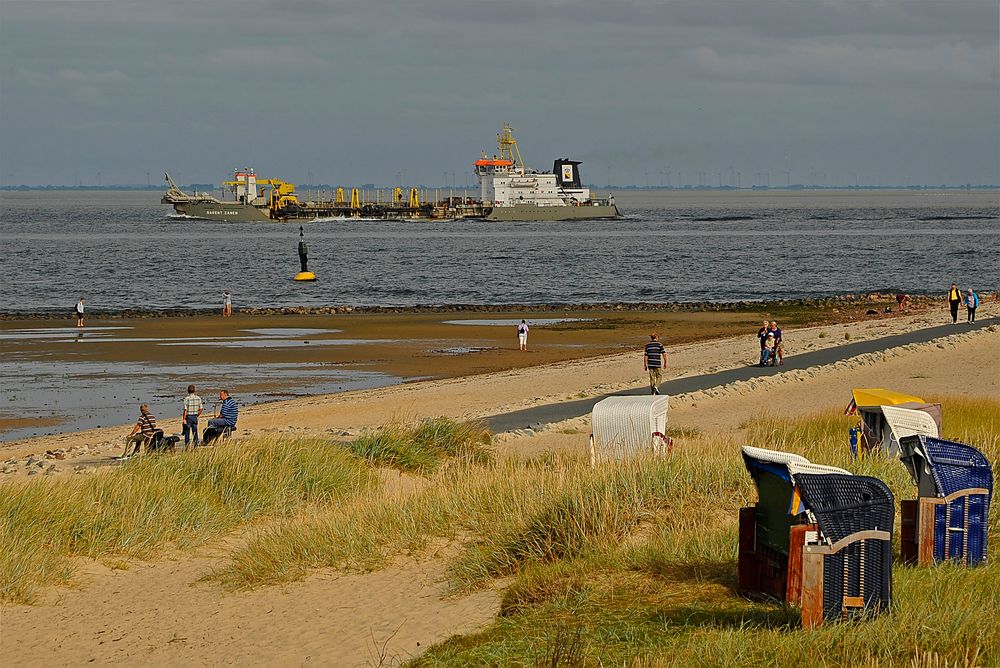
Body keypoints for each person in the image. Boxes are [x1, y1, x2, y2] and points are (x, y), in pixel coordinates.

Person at [182, 384, 203, 449]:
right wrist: (197, 414)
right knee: (195, 431)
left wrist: (184, 418)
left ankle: (187, 446)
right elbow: (201, 408)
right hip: (194, 416)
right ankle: (196, 445)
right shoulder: (198, 398)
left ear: (188, 391)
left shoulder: (186, 399)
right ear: (194, 390)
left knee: (187, 432)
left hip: (189, 416)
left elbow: (185, 410)